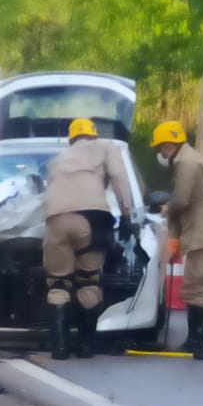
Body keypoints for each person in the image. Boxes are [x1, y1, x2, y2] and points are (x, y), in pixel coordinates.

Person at [42, 117, 134, 360]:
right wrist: (126, 214)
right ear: (93, 135)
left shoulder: (57, 160)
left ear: (71, 138)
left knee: (59, 283)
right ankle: (85, 345)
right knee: (88, 281)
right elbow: (119, 177)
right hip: (93, 219)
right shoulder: (105, 147)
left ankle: (59, 348)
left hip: (56, 219)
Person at [152, 121, 203, 361]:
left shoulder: (185, 162)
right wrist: (175, 235)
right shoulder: (193, 158)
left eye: (160, 148)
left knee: (195, 286)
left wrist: (168, 208)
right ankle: (195, 341)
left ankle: (196, 343)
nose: (161, 153)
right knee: (196, 284)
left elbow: (182, 200)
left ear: (168, 144)